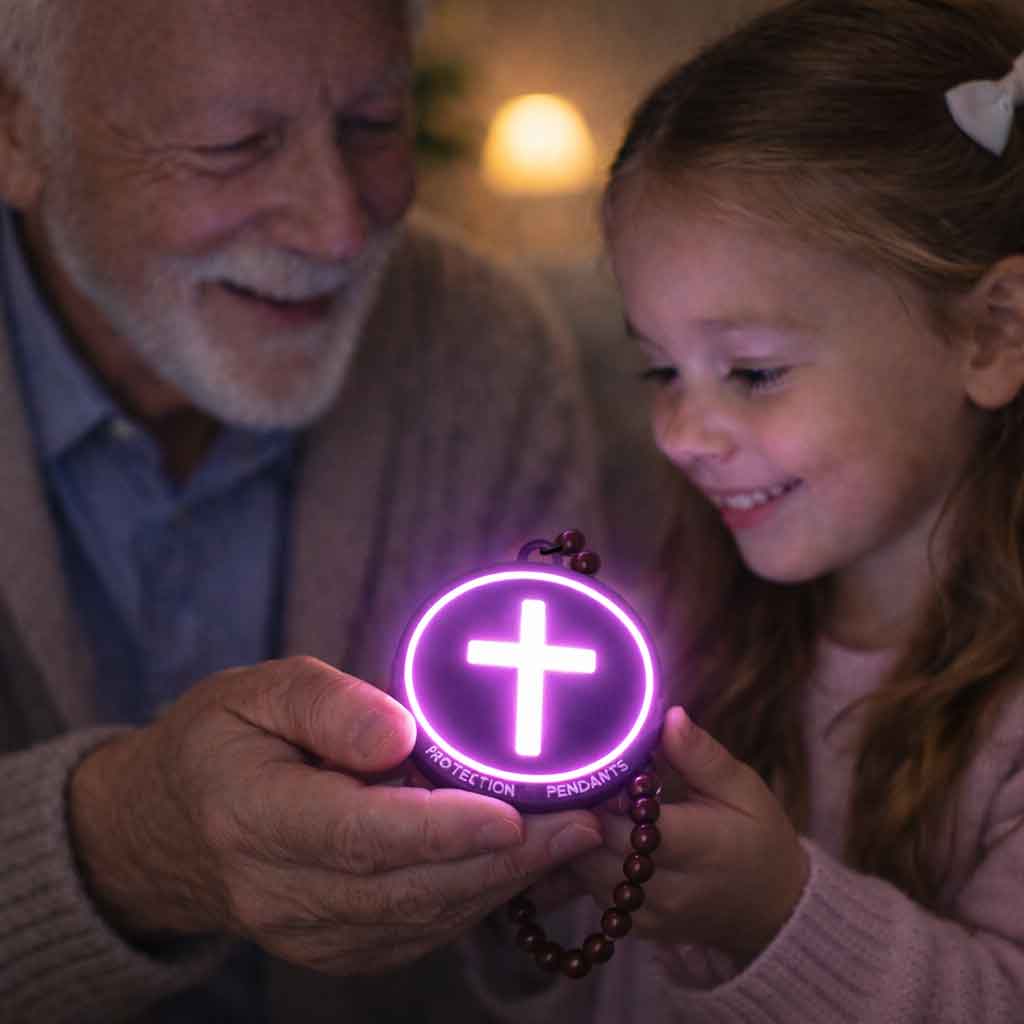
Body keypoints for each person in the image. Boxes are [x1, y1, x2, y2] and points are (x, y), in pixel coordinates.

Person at [0, 0, 661, 1020]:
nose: (340, 225)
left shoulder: (476, 340)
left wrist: (551, 870)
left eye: (374, 123)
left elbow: (555, 947)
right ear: (16, 131)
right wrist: (122, 849)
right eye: (231, 145)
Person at [478, 0, 1024, 1021]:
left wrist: (774, 916)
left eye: (753, 370)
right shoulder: (696, 624)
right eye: (657, 367)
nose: (682, 431)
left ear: (992, 334)